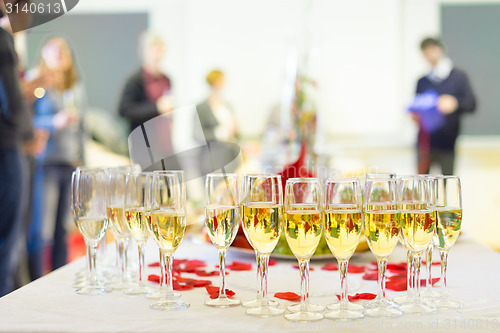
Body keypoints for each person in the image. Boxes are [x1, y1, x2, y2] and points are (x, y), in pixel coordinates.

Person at [27, 36, 85, 277]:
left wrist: (83, 161)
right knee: (43, 231)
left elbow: (84, 128)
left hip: (69, 162)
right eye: (54, 50)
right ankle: (35, 281)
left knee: (64, 228)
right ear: (44, 55)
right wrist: (53, 122)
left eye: (63, 51)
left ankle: (59, 280)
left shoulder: (75, 87)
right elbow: (27, 123)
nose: (60, 55)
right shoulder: (36, 83)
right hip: (46, 164)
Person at [0, 0, 34, 296]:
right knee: (8, 239)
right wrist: (29, 134)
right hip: (8, 146)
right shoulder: (3, 41)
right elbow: (11, 101)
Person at [411, 37, 476, 175]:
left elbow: (471, 104)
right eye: (425, 53)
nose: (429, 56)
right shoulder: (422, 81)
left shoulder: (458, 77)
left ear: (440, 49)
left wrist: (454, 103)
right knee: (421, 187)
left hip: (447, 142)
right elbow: (416, 107)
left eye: (432, 51)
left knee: (446, 183)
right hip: (425, 143)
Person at [195, 70, 238, 144]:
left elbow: (234, 131)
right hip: (212, 151)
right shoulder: (202, 107)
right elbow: (197, 135)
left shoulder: (228, 105)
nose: (223, 83)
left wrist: (235, 130)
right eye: (220, 80)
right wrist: (218, 134)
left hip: (229, 148)